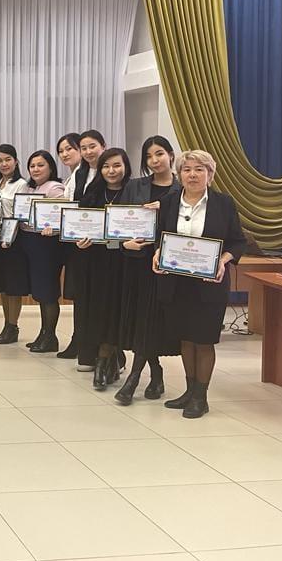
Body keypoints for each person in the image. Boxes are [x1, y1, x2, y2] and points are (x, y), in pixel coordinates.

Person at [154, 150, 246, 419]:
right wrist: (158, 252)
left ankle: (201, 397)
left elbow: (238, 241)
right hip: (176, 283)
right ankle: (189, 391)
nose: (192, 175)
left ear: (210, 174)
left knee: (203, 339)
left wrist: (223, 261)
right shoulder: (170, 201)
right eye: (187, 170)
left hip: (209, 283)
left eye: (199, 169)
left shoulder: (223, 203)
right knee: (185, 337)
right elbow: (160, 236)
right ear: (179, 174)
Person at [114, 136, 181, 405]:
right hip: (136, 263)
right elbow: (118, 222)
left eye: (159, 154)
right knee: (141, 320)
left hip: (165, 265)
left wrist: (164, 207)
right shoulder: (134, 186)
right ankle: (156, 372)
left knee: (151, 320)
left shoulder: (181, 189)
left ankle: (133, 380)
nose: (154, 160)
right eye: (149, 156)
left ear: (171, 155)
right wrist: (124, 243)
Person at [74, 148, 132, 390]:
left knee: (117, 310)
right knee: (98, 309)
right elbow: (79, 224)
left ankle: (108, 359)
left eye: (117, 165)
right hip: (95, 262)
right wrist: (78, 240)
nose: (111, 171)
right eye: (106, 166)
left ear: (126, 167)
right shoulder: (93, 193)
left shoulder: (134, 192)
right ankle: (104, 359)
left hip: (124, 262)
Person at [17, 151, 66, 354]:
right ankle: (44, 333)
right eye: (32, 166)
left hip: (47, 244)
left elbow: (63, 216)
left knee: (48, 292)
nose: (35, 169)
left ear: (50, 167)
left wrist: (52, 227)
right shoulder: (28, 188)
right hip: (29, 241)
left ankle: (50, 336)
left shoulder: (55, 188)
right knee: (39, 292)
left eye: (40, 165)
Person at [68, 129, 108, 371]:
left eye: (92, 146)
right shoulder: (78, 174)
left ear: (103, 146)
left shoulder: (111, 171)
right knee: (82, 300)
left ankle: (108, 355)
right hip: (81, 246)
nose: (88, 151)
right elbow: (70, 207)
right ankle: (86, 353)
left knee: (102, 301)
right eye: (83, 148)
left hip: (106, 249)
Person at [0, 144, 30, 345]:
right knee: (4, 286)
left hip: (14, 241)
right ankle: (6, 323)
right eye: (0, 160)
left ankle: (13, 326)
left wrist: (9, 237)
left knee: (14, 286)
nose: (4, 164)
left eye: (8, 159)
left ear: (16, 161)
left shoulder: (21, 184)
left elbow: (19, 214)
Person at [55, 132, 84, 358]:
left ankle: (81, 341)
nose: (65, 154)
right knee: (77, 296)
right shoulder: (72, 177)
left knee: (83, 296)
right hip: (72, 242)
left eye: (69, 149)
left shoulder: (85, 175)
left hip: (85, 242)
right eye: (61, 151)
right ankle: (78, 339)